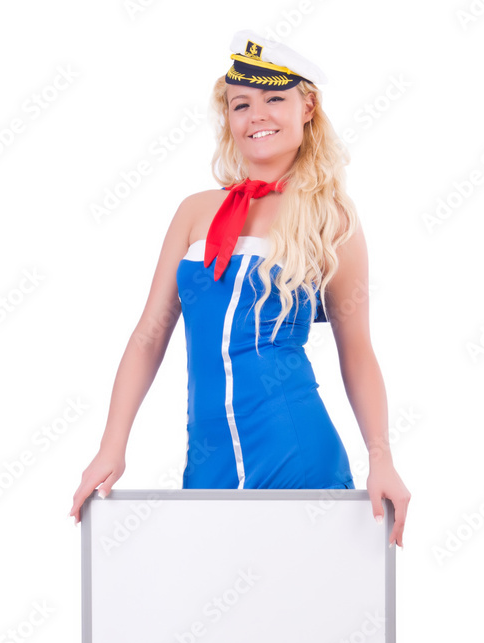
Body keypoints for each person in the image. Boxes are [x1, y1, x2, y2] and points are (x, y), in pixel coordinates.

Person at [70, 30, 410, 547]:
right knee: (209, 619)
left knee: (305, 622)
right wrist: (112, 445)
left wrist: (381, 460)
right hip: (207, 460)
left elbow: (357, 352)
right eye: (241, 104)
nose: (258, 116)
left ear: (308, 106)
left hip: (298, 455)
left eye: (276, 99)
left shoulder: (332, 219)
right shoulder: (194, 212)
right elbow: (149, 335)